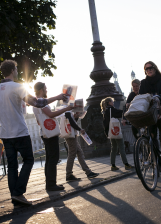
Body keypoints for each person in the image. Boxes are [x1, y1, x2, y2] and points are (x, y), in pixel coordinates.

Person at [0, 60, 67, 206]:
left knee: (12, 165)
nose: (17, 71)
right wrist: (57, 97)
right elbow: (38, 102)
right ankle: (19, 192)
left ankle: (15, 197)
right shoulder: (17, 87)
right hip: (19, 132)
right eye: (16, 69)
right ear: (12, 70)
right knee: (29, 160)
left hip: (5, 133)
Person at [33, 82, 74, 192]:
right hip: (50, 134)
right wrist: (66, 109)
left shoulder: (35, 104)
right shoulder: (42, 103)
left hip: (44, 132)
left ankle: (50, 184)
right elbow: (50, 115)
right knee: (53, 158)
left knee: (49, 158)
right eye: (45, 88)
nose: (46, 90)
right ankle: (51, 185)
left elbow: (38, 121)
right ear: (41, 89)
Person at [100, 97, 134, 171]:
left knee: (114, 148)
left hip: (110, 132)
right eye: (112, 101)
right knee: (121, 147)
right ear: (109, 102)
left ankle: (113, 165)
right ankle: (126, 164)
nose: (113, 103)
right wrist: (127, 108)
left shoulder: (105, 111)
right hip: (116, 131)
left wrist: (107, 133)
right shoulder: (112, 109)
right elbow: (121, 113)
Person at [64, 111, 99, 181]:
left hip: (72, 135)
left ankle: (88, 172)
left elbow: (72, 121)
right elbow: (71, 122)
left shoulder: (69, 111)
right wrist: (80, 129)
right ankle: (69, 175)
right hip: (70, 136)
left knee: (79, 153)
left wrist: (76, 117)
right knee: (72, 155)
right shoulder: (66, 110)